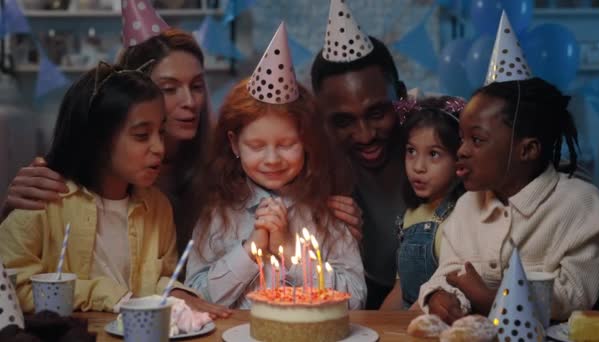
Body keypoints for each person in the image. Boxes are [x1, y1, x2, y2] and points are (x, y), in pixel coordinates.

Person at [0, 62, 208, 314]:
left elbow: (161, 277)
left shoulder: (157, 207)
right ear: (96, 141)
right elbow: (13, 289)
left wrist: (175, 291)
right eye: (142, 135)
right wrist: (103, 295)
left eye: (161, 133)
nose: (159, 148)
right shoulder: (41, 198)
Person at [185, 23, 366, 309]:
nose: (272, 159)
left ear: (306, 141)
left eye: (286, 144)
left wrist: (289, 250)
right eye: (256, 147)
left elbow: (356, 299)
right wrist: (251, 250)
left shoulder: (326, 213)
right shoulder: (218, 215)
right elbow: (196, 297)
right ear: (234, 144)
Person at [419, 77, 599, 323]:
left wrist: (491, 298)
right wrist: (442, 296)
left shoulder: (582, 205)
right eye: (462, 138)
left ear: (527, 150)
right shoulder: (467, 206)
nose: (462, 151)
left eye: (476, 140)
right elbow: (449, 272)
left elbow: (575, 293)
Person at [310, 5, 408, 307]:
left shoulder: (443, 154)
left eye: (377, 113)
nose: (365, 135)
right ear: (321, 120)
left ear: (401, 98)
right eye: (343, 121)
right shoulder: (312, 177)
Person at [380, 96, 465, 311]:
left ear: (459, 157)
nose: (418, 166)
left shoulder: (460, 219)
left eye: (434, 154)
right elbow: (401, 290)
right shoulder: (410, 215)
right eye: (411, 151)